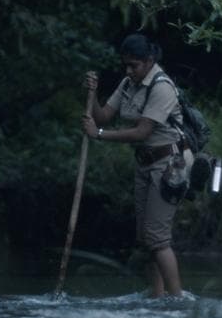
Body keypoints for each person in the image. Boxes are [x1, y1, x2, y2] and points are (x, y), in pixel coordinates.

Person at [82, 34, 191, 298]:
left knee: (157, 238)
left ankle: (176, 300)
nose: (129, 71)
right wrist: (92, 93)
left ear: (149, 61)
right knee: (145, 239)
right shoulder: (129, 82)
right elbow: (103, 115)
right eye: (126, 65)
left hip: (170, 163)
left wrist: (98, 134)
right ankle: (156, 296)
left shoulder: (161, 86)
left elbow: (142, 132)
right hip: (145, 163)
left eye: (134, 65)